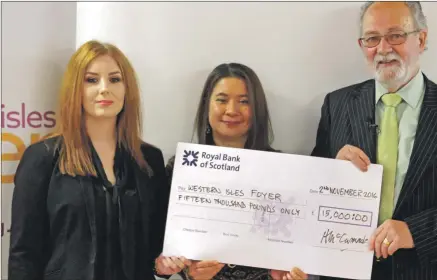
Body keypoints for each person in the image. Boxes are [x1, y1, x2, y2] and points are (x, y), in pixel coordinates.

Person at [311, 2, 437, 280]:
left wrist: (415, 231)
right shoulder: (337, 105)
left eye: (396, 35)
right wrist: (332, 170)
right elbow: (310, 190)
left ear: (421, 38)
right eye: (372, 38)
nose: (383, 49)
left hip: (432, 271)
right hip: (347, 271)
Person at [8, 40, 186, 280]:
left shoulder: (149, 160)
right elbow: (24, 254)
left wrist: (163, 266)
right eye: (91, 80)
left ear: (127, 88)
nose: (105, 88)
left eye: (115, 79)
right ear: (75, 89)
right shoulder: (42, 158)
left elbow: (155, 248)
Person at [163, 63, 308, 280]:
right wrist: (187, 271)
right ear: (206, 105)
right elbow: (159, 256)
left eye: (244, 101)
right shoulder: (181, 168)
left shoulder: (283, 169)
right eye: (222, 100)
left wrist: (294, 274)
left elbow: (302, 248)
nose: (232, 110)